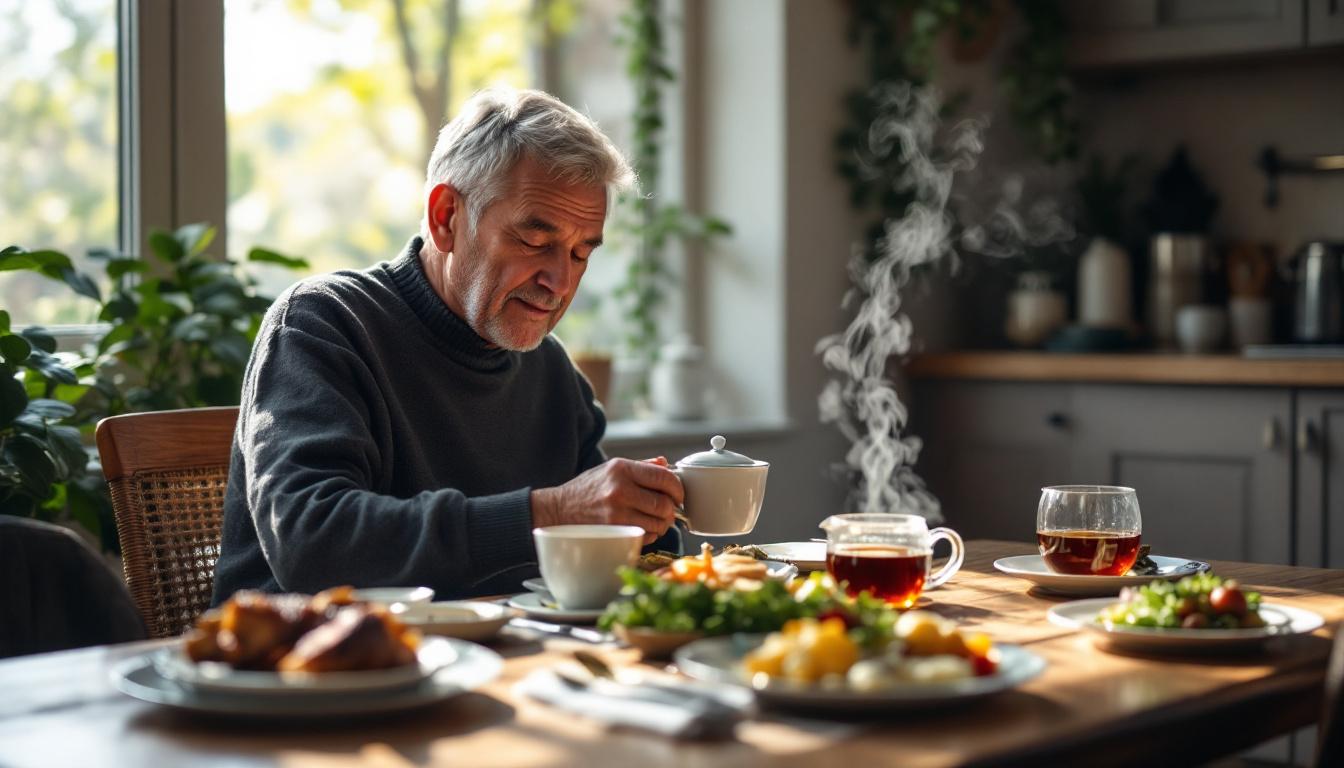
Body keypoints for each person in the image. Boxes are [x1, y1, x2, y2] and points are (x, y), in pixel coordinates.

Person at [212, 88, 684, 603]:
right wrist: (550, 513)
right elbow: (313, 542)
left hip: (503, 664)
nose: (560, 281)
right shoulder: (322, 323)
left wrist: (652, 518)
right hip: (305, 667)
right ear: (446, 218)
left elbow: (604, 550)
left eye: (579, 252)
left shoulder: (550, 372)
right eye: (535, 241)